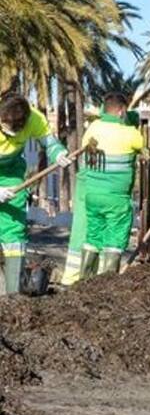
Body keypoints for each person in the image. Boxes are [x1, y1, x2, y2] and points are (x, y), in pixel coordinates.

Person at [0, 93, 69, 296]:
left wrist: (59, 153)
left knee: (14, 233)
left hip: (12, 173)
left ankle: (14, 297)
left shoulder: (35, 118)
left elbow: (49, 142)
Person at [78, 92, 144, 277]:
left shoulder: (92, 129)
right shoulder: (130, 133)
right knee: (114, 240)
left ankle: (85, 280)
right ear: (122, 110)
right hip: (117, 199)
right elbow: (144, 148)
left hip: (92, 196)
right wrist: (132, 119)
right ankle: (107, 282)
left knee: (93, 236)